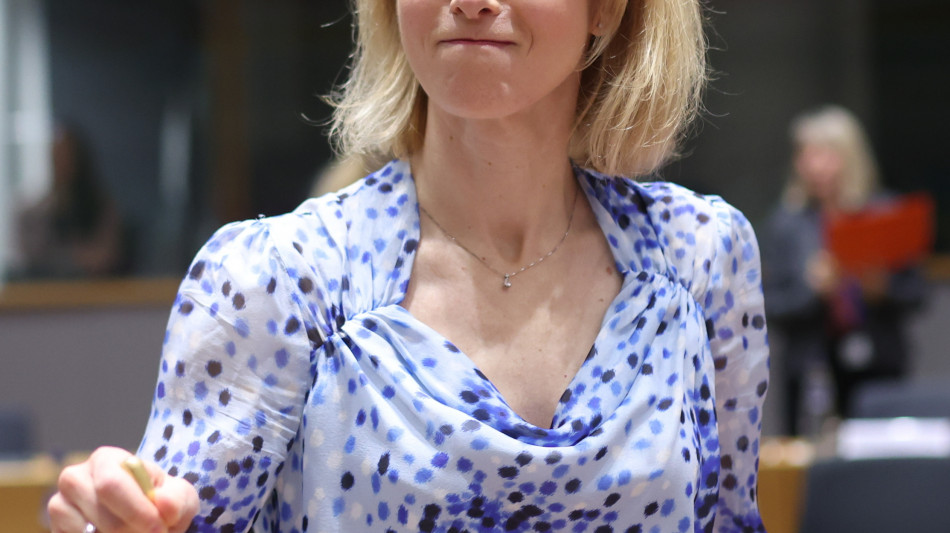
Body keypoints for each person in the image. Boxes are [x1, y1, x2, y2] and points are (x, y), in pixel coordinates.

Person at [49, 0, 770, 531]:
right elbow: (153, 516)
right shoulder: (279, 279)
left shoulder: (697, 259)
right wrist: (113, 518)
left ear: (606, 10)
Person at [764, 105, 926, 435]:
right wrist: (813, 289)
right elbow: (770, 306)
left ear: (850, 158)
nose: (814, 166)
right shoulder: (787, 224)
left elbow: (917, 293)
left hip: (878, 364)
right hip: (811, 371)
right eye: (806, 155)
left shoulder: (886, 214)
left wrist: (880, 288)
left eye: (825, 155)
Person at [14, 122, 128, 279]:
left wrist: (75, 258)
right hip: (45, 289)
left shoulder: (100, 206)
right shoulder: (35, 212)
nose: (61, 162)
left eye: (67, 155)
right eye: (56, 156)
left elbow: (105, 256)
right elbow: (32, 256)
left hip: (91, 289)